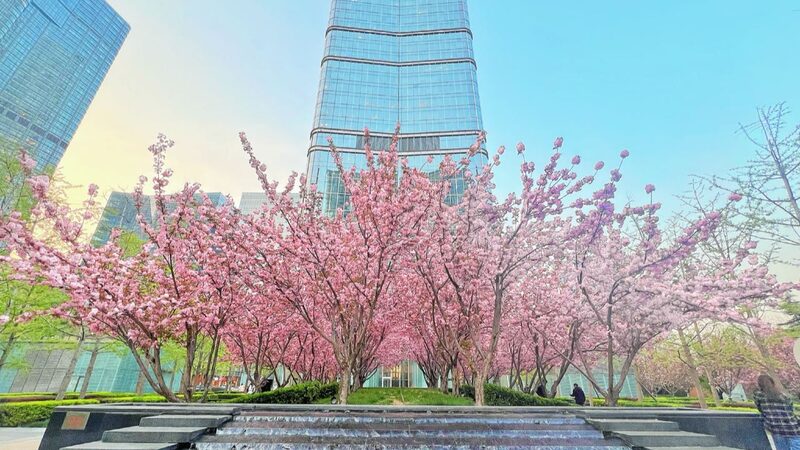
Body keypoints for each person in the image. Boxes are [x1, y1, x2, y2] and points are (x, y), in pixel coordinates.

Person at [754, 374, 800, 449]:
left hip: (776, 428)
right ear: (772, 383)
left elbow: (760, 409)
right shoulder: (783, 395)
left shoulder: (759, 395)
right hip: (793, 427)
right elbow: (790, 410)